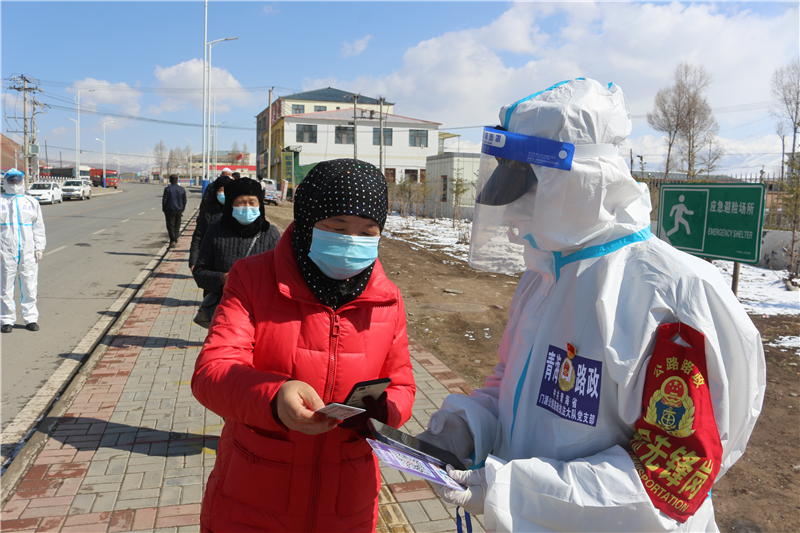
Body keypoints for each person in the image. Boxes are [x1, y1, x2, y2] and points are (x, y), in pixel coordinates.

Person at [417, 79, 765, 532]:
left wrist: (514, 492)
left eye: (527, 186)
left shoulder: (673, 296)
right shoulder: (543, 276)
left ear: (582, 179)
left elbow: (672, 477)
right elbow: (512, 386)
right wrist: (467, 426)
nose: (513, 208)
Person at [192, 159, 416, 532]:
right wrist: (274, 397)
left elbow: (403, 384)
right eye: (337, 228)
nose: (352, 241)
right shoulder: (252, 279)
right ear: (308, 222)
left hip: (348, 504)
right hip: (255, 498)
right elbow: (211, 372)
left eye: (368, 231)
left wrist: (383, 412)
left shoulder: (387, 298)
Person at [192, 178, 281, 297]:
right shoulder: (215, 231)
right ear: (231, 205)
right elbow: (199, 272)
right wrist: (223, 279)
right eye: (241, 202)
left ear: (259, 204)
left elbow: (283, 272)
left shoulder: (270, 233)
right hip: (223, 302)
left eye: (252, 202)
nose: (247, 207)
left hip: (260, 304)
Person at [0, 169, 46, 332]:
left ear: (22, 182)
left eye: (17, 181)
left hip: (28, 250)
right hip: (5, 250)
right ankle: (6, 319)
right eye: (11, 181)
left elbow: (38, 226)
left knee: (29, 284)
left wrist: (39, 247)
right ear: (5, 182)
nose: (14, 184)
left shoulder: (31, 202)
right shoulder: (1, 201)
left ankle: (30, 318)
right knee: (5, 285)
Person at [189, 175, 231, 270]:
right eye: (222, 190)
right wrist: (193, 261)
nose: (225, 193)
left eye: (228, 190)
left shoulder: (236, 211)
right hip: (209, 260)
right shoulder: (207, 212)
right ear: (216, 192)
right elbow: (198, 237)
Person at [162, 174, 187, 248]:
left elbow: (164, 201)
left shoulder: (167, 189)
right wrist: (182, 209)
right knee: (177, 225)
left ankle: (172, 240)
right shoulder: (182, 189)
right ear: (177, 181)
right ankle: (175, 239)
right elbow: (184, 201)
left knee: (170, 226)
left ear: (170, 181)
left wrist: (164, 209)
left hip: (170, 210)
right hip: (179, 210)